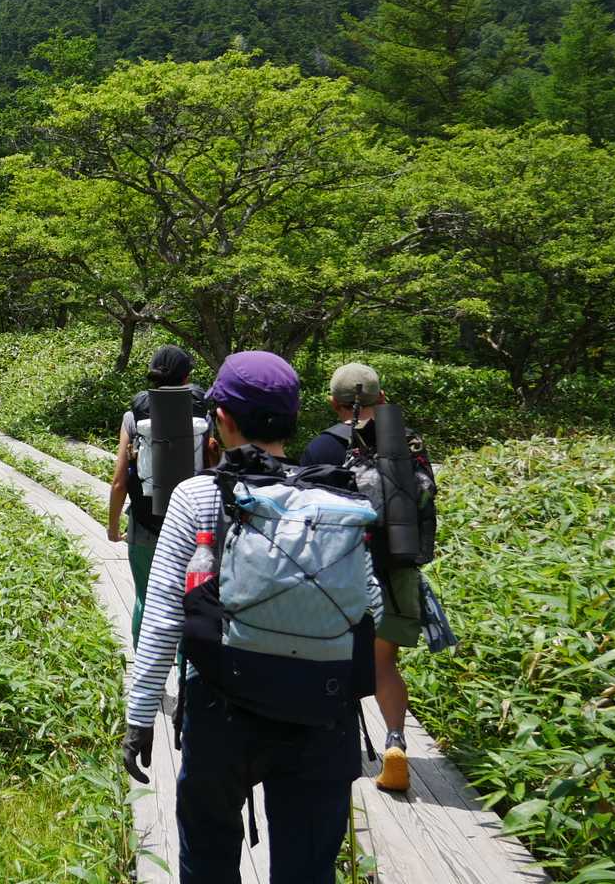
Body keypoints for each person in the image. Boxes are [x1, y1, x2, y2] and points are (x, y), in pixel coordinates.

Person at [122, 351, 376, 883]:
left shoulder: (199, 494)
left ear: (222, 419)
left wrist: (141, 715)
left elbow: (165, 612)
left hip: (223, 708)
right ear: (294, 418)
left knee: (208, 858)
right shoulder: (335, 498)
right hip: (322, 709)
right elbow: (368, 602)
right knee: (307, 870)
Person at [300, 362, 421, 794]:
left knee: (330, 659)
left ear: (333, 403)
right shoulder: (407, 444)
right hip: (398, 567)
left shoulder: (320, 448)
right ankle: (395, 741)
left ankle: (330, 747)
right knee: (384, 662)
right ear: (382, 399)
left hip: (339, 573)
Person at [107, 344, 208, 648]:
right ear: (187, 376)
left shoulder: (133, 416)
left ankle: (143, 666)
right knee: (188, 603)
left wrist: (112, 527)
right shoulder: (204, 415)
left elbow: (119, 481)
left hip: (144, 522)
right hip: (191, 525)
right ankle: (184, 669)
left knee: (145, 598)